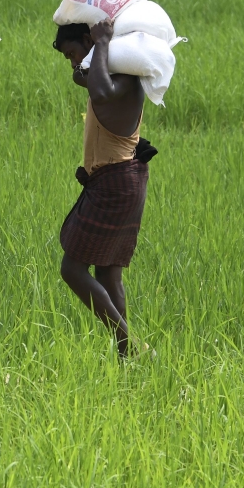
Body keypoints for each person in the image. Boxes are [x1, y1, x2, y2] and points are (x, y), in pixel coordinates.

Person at [53, 18, 154, 358]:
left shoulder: (126, 77)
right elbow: (82, 76)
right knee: (109, 275)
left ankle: (130, 346)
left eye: (72, 52)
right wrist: (89, 54)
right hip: (115, 180)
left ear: (89, 40)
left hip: (116, 182)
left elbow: (98, 90)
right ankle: (127, 355)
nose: (72, 61)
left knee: (72, 269)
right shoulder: (110, 70)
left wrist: (102, 41)